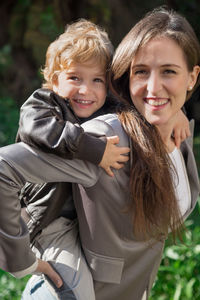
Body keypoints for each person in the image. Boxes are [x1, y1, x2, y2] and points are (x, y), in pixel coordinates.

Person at [0, 6, 199, 300]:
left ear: (192, 78)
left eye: (169, 71)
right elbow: (6, 163)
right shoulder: (98, 136)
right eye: (141, 71)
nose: (154, 87)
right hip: (53, 235)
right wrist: (18, 260)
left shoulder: (173, 129)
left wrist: (177, 111)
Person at [16, 19, 131, 300]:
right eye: (74, 78)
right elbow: (39, 130)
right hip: (49, 221)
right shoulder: (42, 105)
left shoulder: (103, 108)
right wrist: (95, 149)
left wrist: (175, 113)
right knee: (75, 291)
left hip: (89, 220)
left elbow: (137, 110)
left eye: (97, 80)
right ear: (55, 79)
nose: (86, 90)